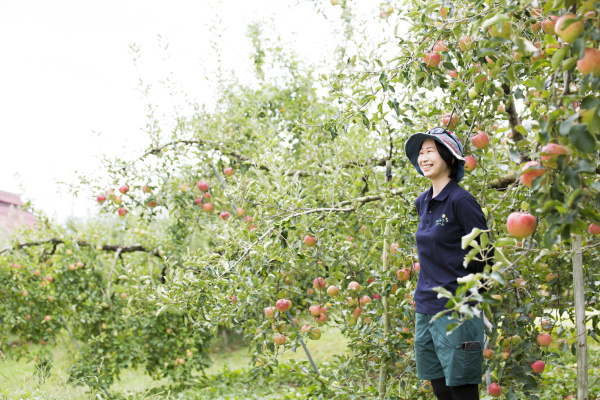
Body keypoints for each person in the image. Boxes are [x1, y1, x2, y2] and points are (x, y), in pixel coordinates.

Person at [404, 127, 491, 400]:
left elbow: (484, 254)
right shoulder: (422, 201)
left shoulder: (461, 201)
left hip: (457, 310)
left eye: (430, 151)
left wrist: (471, 301)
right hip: (426, 309)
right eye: (420, 153)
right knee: (441, 390)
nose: (424, 157)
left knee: (462, 390)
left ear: (449, 158)